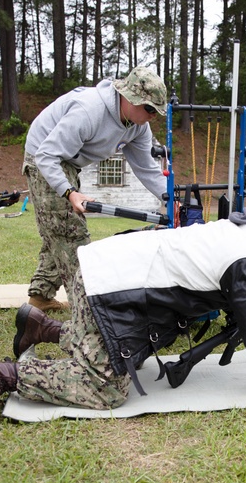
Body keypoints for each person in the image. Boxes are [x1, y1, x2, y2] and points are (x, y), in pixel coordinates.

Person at [0, 201, 246, 428]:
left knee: (111, 350)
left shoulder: (240, 231)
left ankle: (41, 326)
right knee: (105, 390)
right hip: (110, 291)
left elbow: (244, 311)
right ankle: (0, 373)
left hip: (102, 269)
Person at [23, 65, 170, 312]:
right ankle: (88, 309)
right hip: (43, 156)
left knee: (59, 228)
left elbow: (147, 168)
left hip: (69, 161)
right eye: (149, 109)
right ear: (130, 98)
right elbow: (46, 155)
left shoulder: (138, 126)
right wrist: (69, 192)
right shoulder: (89, 110)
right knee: (70, 233)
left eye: (157, 112)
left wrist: (173, 197)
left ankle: (40, 297)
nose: (153, 116)